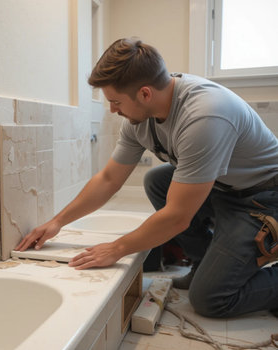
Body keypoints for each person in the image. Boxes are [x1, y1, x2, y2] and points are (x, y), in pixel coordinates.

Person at [16, 38, 278, 318]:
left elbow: (178, 217)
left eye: (115, 102)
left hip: (260, 197)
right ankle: (205, 262)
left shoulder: (204, 117)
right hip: (223, 185)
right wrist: (57, 221)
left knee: (211, 299)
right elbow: (108, 179)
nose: (112, 110)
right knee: (157, 180)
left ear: (144, 94)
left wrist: (117, 248)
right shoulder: (139, 120)